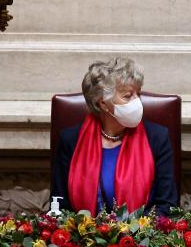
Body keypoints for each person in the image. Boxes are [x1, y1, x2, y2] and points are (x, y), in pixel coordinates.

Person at [52, 57, 177, 215]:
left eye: (138, 94)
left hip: (142, 236)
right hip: (83, 235)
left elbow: (167, 205)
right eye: (127, 96)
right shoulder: (71, 140)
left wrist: (135, 235)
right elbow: (59, 206)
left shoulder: (157, 138)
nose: (137, 102)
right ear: (103, 103)